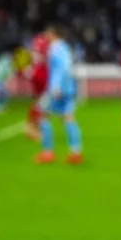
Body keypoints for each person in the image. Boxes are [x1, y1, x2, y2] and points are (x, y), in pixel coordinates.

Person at [35, 26, 83, 164]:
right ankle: (75, 152)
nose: (45, 36)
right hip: (67, 88)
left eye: (47, 33)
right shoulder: (64, 48)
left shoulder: (56, 48)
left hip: (57, 89)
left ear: (53, 34)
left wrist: (57, 86)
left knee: (43, 115)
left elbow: (62, 68)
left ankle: (48, 152)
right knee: (68, 118)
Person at [24, 31, 49, 140]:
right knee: (43, 103)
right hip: (41, 73)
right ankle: (32, 127)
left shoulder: (35, 43)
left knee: (42, 102)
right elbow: (44, 58)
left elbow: (33, 57)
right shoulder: (44, 43)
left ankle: (34, 127)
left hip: (36, 73)